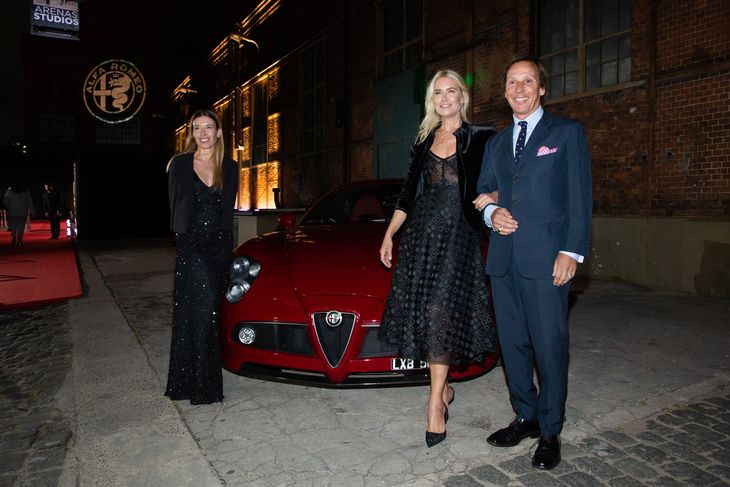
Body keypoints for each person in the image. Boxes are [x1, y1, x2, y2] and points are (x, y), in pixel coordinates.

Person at [476, 56, 592, 470]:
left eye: (528, 81)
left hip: (547, 260)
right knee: (513, 345)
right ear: (505, 90)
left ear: (542, 88)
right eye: (512, 82)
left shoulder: (566, 133)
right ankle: (524, 415)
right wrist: (492, 215)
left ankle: (550, 429)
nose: (519, 88)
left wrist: (572, 251)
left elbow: (579, 196)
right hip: (504, 260)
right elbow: (484, 193)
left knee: (549, 346)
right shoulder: (495, 143)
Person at [378, 70, 498, 448]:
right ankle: (443, 392)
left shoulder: (482, 137)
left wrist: (491, 198)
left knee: (443, 310)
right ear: (432, 100)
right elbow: (408, 193)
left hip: (459, 237)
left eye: (451, 91)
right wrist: (389, 233)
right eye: (438, 93)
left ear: (462, 97)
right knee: (431, 311)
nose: (445, 98)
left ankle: (434, 404)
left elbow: (496, 181)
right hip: (422, 237)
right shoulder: (424, 139)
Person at [165, 109, 239, 405]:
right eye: (197, 128)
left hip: (218, 246)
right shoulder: (179, 164)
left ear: (219, 132)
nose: (203, 133)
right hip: (192, 245)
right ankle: (204, 386)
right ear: (191, 134)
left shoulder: (230, 167)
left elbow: (227, 213)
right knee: (205, 306)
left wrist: (226, 250)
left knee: (205, 312)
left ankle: (190, 381)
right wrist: (184, 244)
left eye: (209, 127)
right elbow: (175, 208)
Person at [3, 179, 35, 247]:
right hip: (23, 212)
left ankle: (14, 236)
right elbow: (30, 203)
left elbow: (5, 201)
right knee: (21, 226)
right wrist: (32, 212)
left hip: (12, 212)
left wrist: (7, 207)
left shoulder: (9, 192)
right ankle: (20, 240)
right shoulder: (26, 192)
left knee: (13, 226)